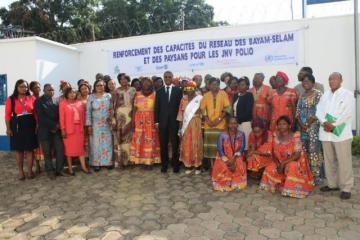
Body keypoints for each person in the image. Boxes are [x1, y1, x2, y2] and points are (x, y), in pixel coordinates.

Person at [316, 72, 355, 200]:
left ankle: (346, 187)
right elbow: (319, 110)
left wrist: (333, 125)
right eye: (330, 79)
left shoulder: (347, 94)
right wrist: (325, 122)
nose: (331, 81)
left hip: (341, 133)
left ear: (341, 80)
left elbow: (347, 113)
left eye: (334, 79)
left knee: (344, 161)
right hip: (326, 133)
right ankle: (332, 184)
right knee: (329, 160)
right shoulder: (325, 95)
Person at [260, 116, 314, 198]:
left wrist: (283, 164)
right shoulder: (274, 136)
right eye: (280, 124)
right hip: (280, 161)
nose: (282, 126)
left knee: (292, 166)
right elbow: (273, 153)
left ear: (289, 125)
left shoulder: (295, 136)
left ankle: (293, 189)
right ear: (277, 126)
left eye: (284, 124)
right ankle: (280, 185)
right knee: (270, 168)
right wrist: (278, 164)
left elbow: (297, 155)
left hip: (294, 161)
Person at [5, 79, 38, 180]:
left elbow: (36, 113)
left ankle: (29, 171)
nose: (24, 88)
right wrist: (8, 128)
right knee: (19, 150)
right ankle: (20, 172)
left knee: (30, 150)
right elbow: (7, 115)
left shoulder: (32, 98)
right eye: (21, 86)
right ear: (17, 87)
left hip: (30, 125)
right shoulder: (11, 99)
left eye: (25, 86)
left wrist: (37, 125)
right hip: (17, 126)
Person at [296, 73, 323, 183]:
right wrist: (302, 125)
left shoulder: (318, 94)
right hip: (302, 129)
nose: (305, 83)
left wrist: (308, 123)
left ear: (313, 82)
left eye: (307, 81)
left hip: (314, 128)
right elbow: (297, 111)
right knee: (304, 150)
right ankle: (305, 173)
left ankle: (316, 176)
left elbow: (319, 111)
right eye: (303, 81)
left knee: (314, 150)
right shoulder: (302, 95)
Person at [155, 71, 183, 173]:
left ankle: (176, 165)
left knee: (175, 144)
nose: (167, 78)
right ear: (163, 78)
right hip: (162, 123)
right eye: (165, 77)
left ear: (172, 78)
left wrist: (180, 121)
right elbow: (157, 107)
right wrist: (156, 122)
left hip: (174, 122)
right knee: (163, 145)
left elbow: (180, 107)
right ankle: (164, 165)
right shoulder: (159, 91)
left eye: (169, 77)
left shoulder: (178, 91)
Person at [35, 84, 65, 179]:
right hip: (45, 131)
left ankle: (59, 170)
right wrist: (54, 125)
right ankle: (50, 171)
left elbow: (61, 114)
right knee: (47, 152)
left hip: (56, 131)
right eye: (49, 90)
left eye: (52, 90)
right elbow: (41, 117)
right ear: (44, 90)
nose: (51, 91)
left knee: (60, 150)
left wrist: (58, 126)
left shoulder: (56, 100)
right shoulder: (38, 101)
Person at [200, 77, 231, 168]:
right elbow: (202, 109)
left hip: (220, 125)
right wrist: (208, 120)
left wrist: (218, 120)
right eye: (213, 84)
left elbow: (227, 108)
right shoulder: (206, 95)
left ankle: (220, 166)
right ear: (209, 85)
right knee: (211, 147)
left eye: (217, 84)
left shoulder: (223, 94)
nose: (215, 86)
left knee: (220, 147)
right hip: (208, 125)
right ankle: (213, 167)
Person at [130, 77, 160, 166]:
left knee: (151, 140)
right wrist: (133, 121)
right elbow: (134, 109)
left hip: (151, 120)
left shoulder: (155, 94)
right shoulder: (137, 94)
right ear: (141, 84)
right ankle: (141, 160)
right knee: (140, 139)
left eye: (148, 83)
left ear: (151, 84)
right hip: (139, 121)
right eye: (144, 83)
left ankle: (150, 161)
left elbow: (157, 109)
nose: (146, 84)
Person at [212, 117, 247, 191]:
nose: (233, 125)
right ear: (228, 124)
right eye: (231, 123)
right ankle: (225, 183)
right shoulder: (222, 135)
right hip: (223, 157)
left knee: (238, 164)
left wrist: (233, 159)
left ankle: (235, 182)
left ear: (237, 125)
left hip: (236, 156)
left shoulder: (241, 134)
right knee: (225, 167)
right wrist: (228, 161)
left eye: (235, 123)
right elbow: (220, 150)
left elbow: (242, 148)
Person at [60, 88, 90, 175]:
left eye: (73, 92)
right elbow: (61, 118)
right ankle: (70, 168)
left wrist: (84, 128)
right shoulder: (63, 104)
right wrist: (63, 129)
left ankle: (83, 167)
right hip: (68, 131)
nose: (72, 94)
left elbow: (83, 117)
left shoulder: (80, 103)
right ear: (66, 94)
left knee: (80, 149)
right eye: (70, 93)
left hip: (79, 130)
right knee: (69, 150)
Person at [86, 79, 113, 171]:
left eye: (101, 85)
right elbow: (88, 112)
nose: (100, 87)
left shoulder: (108, 96)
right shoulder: (91, 97)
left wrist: (111, 118)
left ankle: (108, 162)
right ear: (94, 87)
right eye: (98, 85)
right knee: (96, 144)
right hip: (95, 125)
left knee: (107, 143)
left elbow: (111, 109)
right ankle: (96, 163)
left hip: (106, 124)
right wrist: (89, 125)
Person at [177, 81, 203, 174]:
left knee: (196, 143)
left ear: (195, 89)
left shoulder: (200, 99)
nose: (189, 90)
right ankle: (188, 165)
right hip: (186, 124)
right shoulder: (183, 99)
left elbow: (203, 112)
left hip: (196, 123)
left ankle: (197, 166)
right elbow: (180, 115)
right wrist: (180, 129)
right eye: (187, 88)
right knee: (187, 144)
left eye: (191, 88)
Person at [111, 73, 136, 168]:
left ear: (128, 79)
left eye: (125, 79)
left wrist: (134, 117)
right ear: (119, 81)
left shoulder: (133, 90)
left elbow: (135, 104)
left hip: (130, 117)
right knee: (120, 140)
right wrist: (113, 120)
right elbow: (112, 107)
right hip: (120, 118)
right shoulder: (116, 91)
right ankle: (121, 161)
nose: (123, 81)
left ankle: (130, 161)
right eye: (121, 79)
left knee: (130, 139)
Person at [233, 77, 254, 150]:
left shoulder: (249, 95)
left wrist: (237, 120)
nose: (240, 86)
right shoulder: (235, 96)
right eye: (239, 85)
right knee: (237, 146)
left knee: (245, 146)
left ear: (247, 86)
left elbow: (248, 112)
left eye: (242, 85)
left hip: (245, 124)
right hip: (235, 125)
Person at [29, 80, 43, 174]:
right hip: (34, 125)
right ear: (31, 89)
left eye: (38, 87)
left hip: (44, 125)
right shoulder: (30, 99)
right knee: (36, 146)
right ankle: (37, 165)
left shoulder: (43, 98)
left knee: (44, 145)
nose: (37, 89)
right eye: (35, 87)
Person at [78, 82, 91, 159]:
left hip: (92, 121)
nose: (84, 90)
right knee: (84, 140)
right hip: (82, 122)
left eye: (86, 88)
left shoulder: (92, 97)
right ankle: (85, 157)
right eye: (82, 89)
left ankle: (92, 156)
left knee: (91, 139)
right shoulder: (78, 98)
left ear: (88, 89)